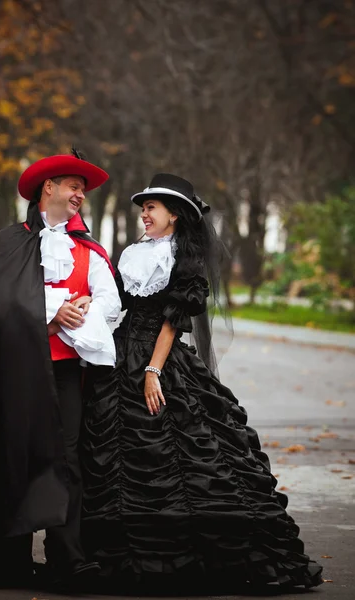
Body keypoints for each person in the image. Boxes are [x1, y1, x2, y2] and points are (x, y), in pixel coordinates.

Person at [80, 173, 323, 594]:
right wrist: (90, 303)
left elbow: (175, 320)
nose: (144, 214)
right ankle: (123, 557)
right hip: (121, 357)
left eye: (151, 208)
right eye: (143, 208)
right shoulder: (132, 253)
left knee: (187, 449)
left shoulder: (182, 256)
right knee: (117, 453)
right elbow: (117, 301)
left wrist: (153, 372)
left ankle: (205, 558)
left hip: (161, 359)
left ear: (174, 214)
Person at [0, 149, 121, 591]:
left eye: (83, 188)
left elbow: (111, 302)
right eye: (73, 185)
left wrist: (87, 311)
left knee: (67, 461)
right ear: (48, 188)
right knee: (16, 454)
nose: (80, 193)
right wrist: (54, 311)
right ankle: (12, 564)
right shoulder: (7, 241)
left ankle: (68, 560)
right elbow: (1, 306)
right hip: (18, 370)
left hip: (65, 371)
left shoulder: (88, 249)